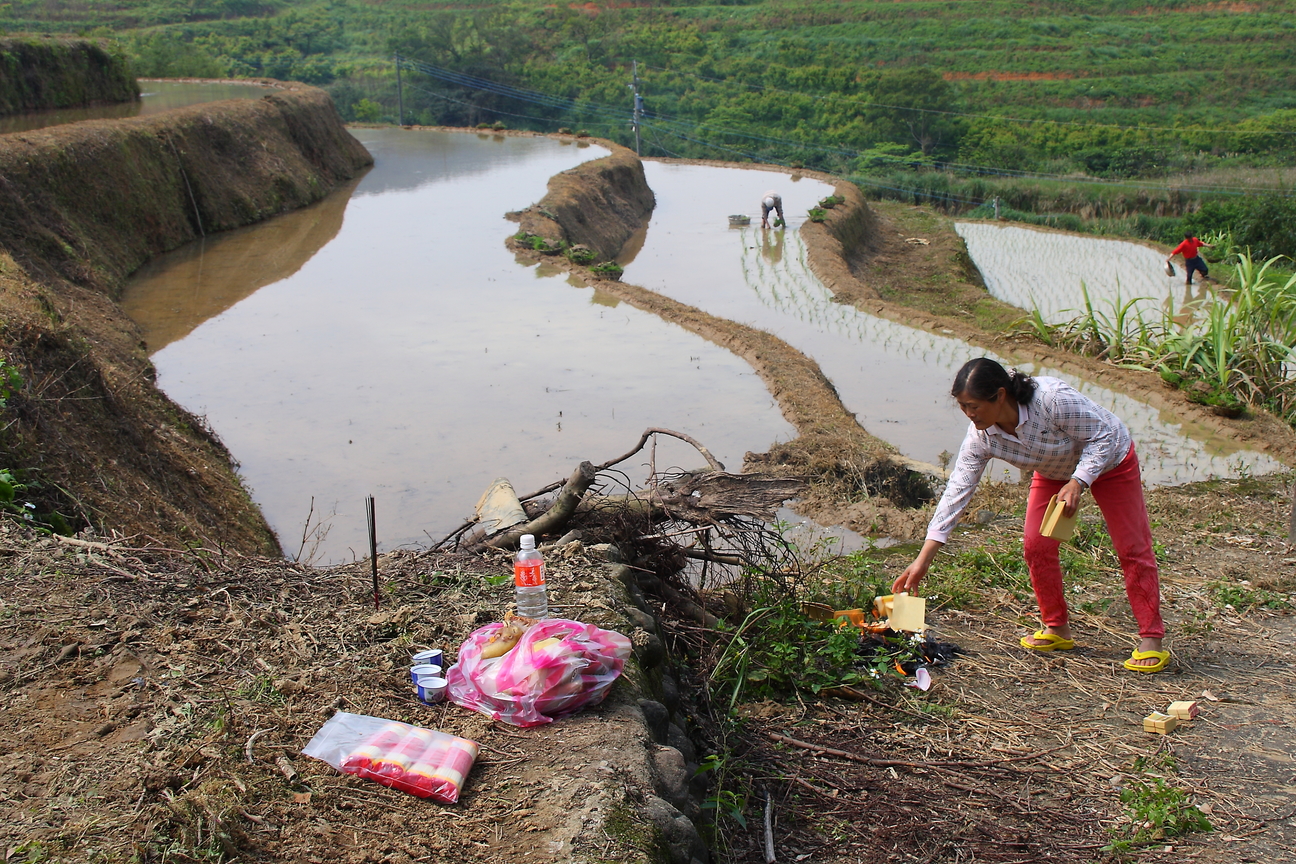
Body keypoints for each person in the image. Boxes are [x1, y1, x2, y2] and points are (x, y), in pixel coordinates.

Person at [892, 358, 1169, 673]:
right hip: (1053, 471)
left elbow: (1102, 436)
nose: (969, 414)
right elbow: (958, 491)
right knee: (1036, 546)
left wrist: (1079, 481)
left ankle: (1151, 637)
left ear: (1000, 395)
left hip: (1110, 462)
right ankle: (1057, 628)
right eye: (962, 407)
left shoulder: (1051, 400)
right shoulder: (981, 437)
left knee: (1131, 548)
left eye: (974, 406)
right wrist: (924, 558)